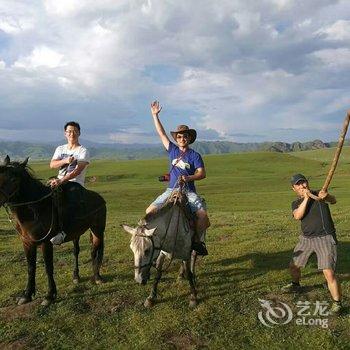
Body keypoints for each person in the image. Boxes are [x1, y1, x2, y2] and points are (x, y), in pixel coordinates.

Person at [146, 100, 210, 256]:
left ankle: (196, 241)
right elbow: (161, 133)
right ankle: (154, 241)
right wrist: (155, 116)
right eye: (179, 136)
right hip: (171, 190)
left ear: (189, 138)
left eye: (185, 136)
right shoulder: (172, 150)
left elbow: (202, 174)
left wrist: (188, 178)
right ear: (176, 139)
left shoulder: (195, 155)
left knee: (203, 216)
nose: (182, 138)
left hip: (188, 191)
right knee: (149, 211)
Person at [282, 173, 342, 314]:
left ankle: (337, 302)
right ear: (294, 188)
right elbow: (298, 216)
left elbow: (333, 200)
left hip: (325, 238)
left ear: (307, 183)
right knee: (294, 265)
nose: (303, 186)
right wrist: (306, 198)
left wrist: (326, 196)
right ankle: (295, 285)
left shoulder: (319, 195)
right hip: (306, 239)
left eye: (304, 182)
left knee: (328, 272)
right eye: (299, 184)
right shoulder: (295, 203)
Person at [49, 121, 90, 245]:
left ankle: (63, 231)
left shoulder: (83, 151)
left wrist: (61, 180)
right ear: (65, 133)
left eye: (75, 131)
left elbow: (78, 171)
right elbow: (52, 164)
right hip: (58, 181)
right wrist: (65, 160)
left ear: (79, 133)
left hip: (75, 183)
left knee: (67, 201)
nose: (72, 133)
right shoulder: (60, 149)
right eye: (69, 131)